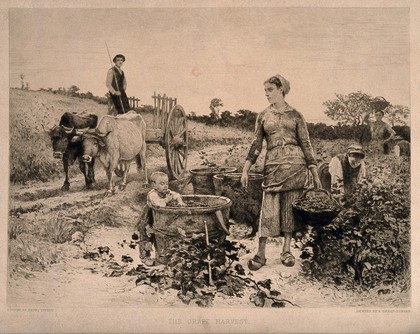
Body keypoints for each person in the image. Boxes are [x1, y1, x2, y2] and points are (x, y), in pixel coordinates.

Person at [240, 74, 322, 270]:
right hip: (273, 168)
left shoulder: (296, 116)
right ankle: (261, 254)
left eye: (270, 90)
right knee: (268, 210)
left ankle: (286, 251)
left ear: (281, 90)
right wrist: (245, 170)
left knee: (289, 211)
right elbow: (256, 145)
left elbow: (306, 145)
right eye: (265, 91)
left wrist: (315, 174)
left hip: (296, 169)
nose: (267, 94)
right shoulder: (263, 116)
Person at [136, 172, 185, 266]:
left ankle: (162, 255)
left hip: (160, 218)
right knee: (147, 236)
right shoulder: (152, 194)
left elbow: (176, 195)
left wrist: (180, 201)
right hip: (149, 217)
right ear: (154, 185)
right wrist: (167, 200)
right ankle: (144, 257)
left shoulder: (166, 192)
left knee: (160, 235)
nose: (165, 186)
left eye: (166, 183)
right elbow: (159, 204)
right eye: (162, 184)